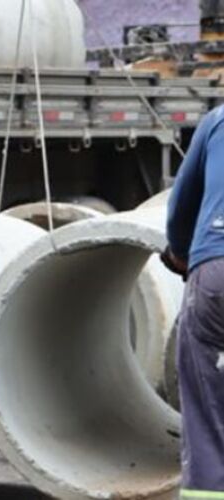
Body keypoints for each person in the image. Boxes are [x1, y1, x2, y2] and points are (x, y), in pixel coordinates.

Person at [165, 104, 224, 497]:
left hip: (217, 270)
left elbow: (180, 209)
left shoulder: (219, 120)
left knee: (206, 414)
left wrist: (181, 254)